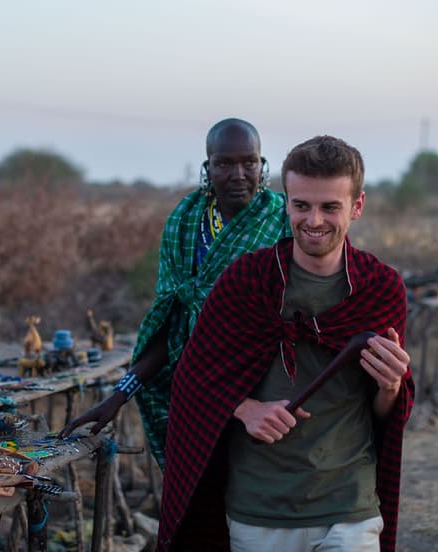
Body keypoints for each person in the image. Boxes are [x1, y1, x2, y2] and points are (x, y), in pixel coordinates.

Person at [157, 135, 414, 552]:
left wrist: (391, 387)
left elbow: (384, 411)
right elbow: (193, 377)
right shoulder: (246, 280)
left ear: (357, 206)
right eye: (301, 205)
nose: (314, 220)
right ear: (286, 201)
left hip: (349, 503)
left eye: (330, 206)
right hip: (259, 509)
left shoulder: (379, 287)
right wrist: (246, 408)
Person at [59, 118, 289, 468]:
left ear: (262, 165)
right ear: (207, 167)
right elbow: (172, 326)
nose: (239, 173)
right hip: (199, 390)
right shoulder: (185, 223)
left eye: (249, 162)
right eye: (225, 163)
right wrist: (118, 397)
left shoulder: (284, 219)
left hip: (270, 393)